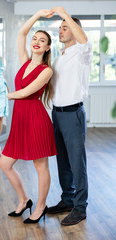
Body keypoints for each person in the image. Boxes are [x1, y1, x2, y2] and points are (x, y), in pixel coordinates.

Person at [0, 9, 57, 224]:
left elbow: (26, 92)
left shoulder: (46, 70)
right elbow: (21, 34)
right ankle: (24, 199)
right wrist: (38, 15)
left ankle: (41, 206)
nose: (36, 42)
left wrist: (6, 94)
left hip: (36, 120)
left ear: (47, 47)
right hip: (20, 121)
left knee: (40, 167)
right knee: (5, 164)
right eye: (35, 38)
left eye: (42, 40)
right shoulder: (24, 61)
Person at [47, 7, 93, 226]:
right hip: (57, 114)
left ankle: (80, 207)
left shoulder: (82, 53)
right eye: (60, 28)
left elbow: (84, 40)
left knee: (77, 163)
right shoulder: (59, 58)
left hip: (73, 114)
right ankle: (67, 200)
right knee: (63, 161)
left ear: (75, 31)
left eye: (65, 27)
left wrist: (63, 13)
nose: (60, 30)